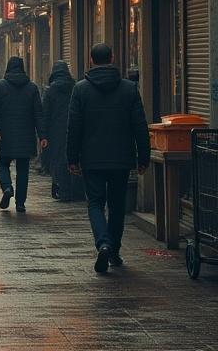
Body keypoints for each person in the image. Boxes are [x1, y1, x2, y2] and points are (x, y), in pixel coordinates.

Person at [67, 42, 150, 273]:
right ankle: (114, 251)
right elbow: (140, 126)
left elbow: (73, 127)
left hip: (92, 159)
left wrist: (72, 158)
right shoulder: (129, 89)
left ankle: (103, 243)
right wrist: (143, 156)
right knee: (116, 206)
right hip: (121, 158)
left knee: (94, 203)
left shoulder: (81, 89)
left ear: (91, 60)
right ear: (112, 57)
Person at [0, 56, 46, 213]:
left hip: (5, 134)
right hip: (26, 135)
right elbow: (38, 114)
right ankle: (20, 203)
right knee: (23, 169)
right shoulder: (32, 88)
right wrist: (43, 135)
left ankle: (7, 188)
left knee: (2, 163)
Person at [43, 61, 81, 202]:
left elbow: (45, 114)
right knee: (73, 157)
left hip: (55, 130)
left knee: (58, 160)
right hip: (74, 127)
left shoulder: (50, 90)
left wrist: (43, 134)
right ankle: (76, 191)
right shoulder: (76, 87)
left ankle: (63, 191)